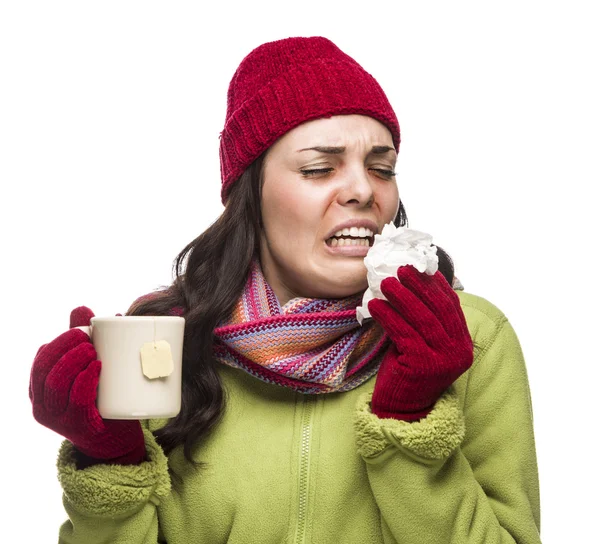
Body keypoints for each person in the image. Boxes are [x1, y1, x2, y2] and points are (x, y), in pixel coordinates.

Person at [29, 36, 541, 543]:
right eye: (320, 168)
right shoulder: (160, 344)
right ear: (251, 193)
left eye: (382, 168)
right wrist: (111, 463)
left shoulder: (470, 337)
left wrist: (412, 423)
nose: (365, 190)